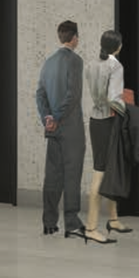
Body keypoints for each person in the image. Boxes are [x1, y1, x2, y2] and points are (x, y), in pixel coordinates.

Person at [36, 20, 92, 241]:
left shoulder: (48, 62)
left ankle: (49, 223)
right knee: (72, 175)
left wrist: (47, 118)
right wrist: (58, 117)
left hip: (52, 128)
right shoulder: (75, 61)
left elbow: (39, 93)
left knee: (52, 175)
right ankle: (71, 223)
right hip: (70, 129)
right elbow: (73, 95)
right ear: (75, 37)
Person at [83, 29, 128, 241]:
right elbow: (113, 99)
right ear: (117, 47)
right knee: (101, 171)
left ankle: (113, 219)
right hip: (109, 122)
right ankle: (91, 228)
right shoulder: (115, 66)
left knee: (108, 169)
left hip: (95, 120)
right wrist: (128, 109)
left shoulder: (91, 64)